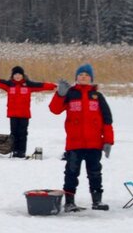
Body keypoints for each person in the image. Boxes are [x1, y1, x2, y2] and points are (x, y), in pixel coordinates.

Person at [48, 63, 115, 210]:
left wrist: (108, 141)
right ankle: (69, 202)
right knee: (71, 173)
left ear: (91, 78)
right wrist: (60, 94)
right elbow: (55, 109)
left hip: (94, 144)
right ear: (76, 78)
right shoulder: (70, 93)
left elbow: (107, 120)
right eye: (80, 75)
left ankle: (97, 201)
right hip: (74, 144)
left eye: (86, 75)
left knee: (95, 173)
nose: (83, 77)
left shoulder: (97, 96)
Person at [0, 65, 56, 158]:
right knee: (14, 133)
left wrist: (53, 87)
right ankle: (14, 151)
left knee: (23, 133)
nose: (17, 76)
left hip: (24, 115)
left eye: (19, 74)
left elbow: (41, 85)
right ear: (12, 76)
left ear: (23, 75)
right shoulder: (9, 85)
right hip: (13, 114)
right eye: (15, 74)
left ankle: (21, 152)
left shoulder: (28, 85)